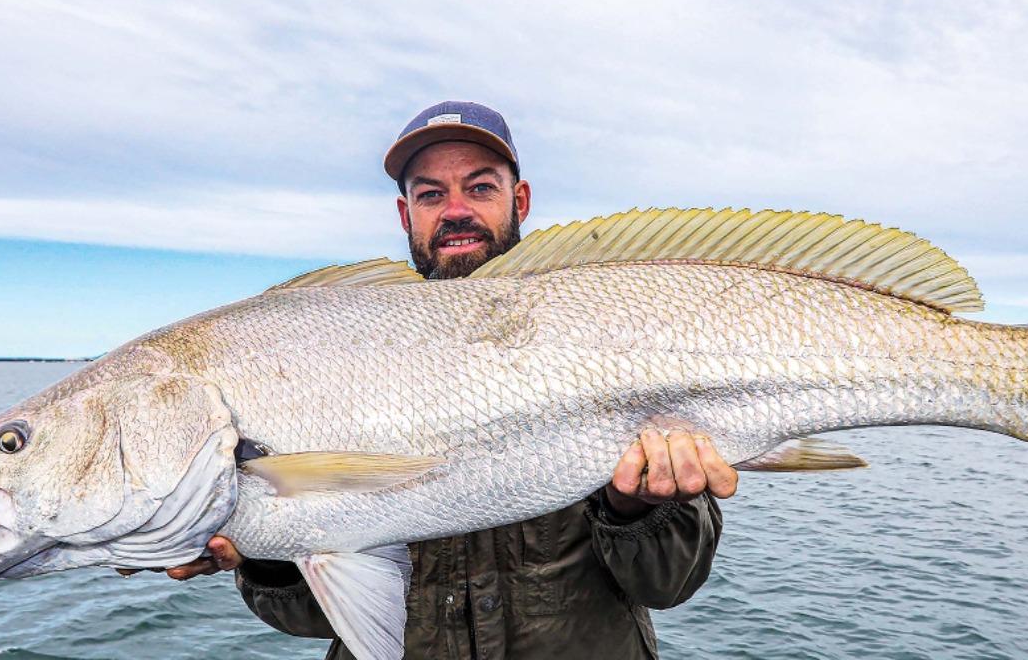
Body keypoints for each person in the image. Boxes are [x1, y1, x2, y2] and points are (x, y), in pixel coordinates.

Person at [151, 101, 738, 659]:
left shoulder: (609, 341)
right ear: (405, 214)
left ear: (520, 200)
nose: (455, 209)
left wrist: (636, 508)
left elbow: (669, 585)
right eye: (431, 194)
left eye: (480, 187)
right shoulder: (331, 360)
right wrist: (266, 548)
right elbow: (309, 619)